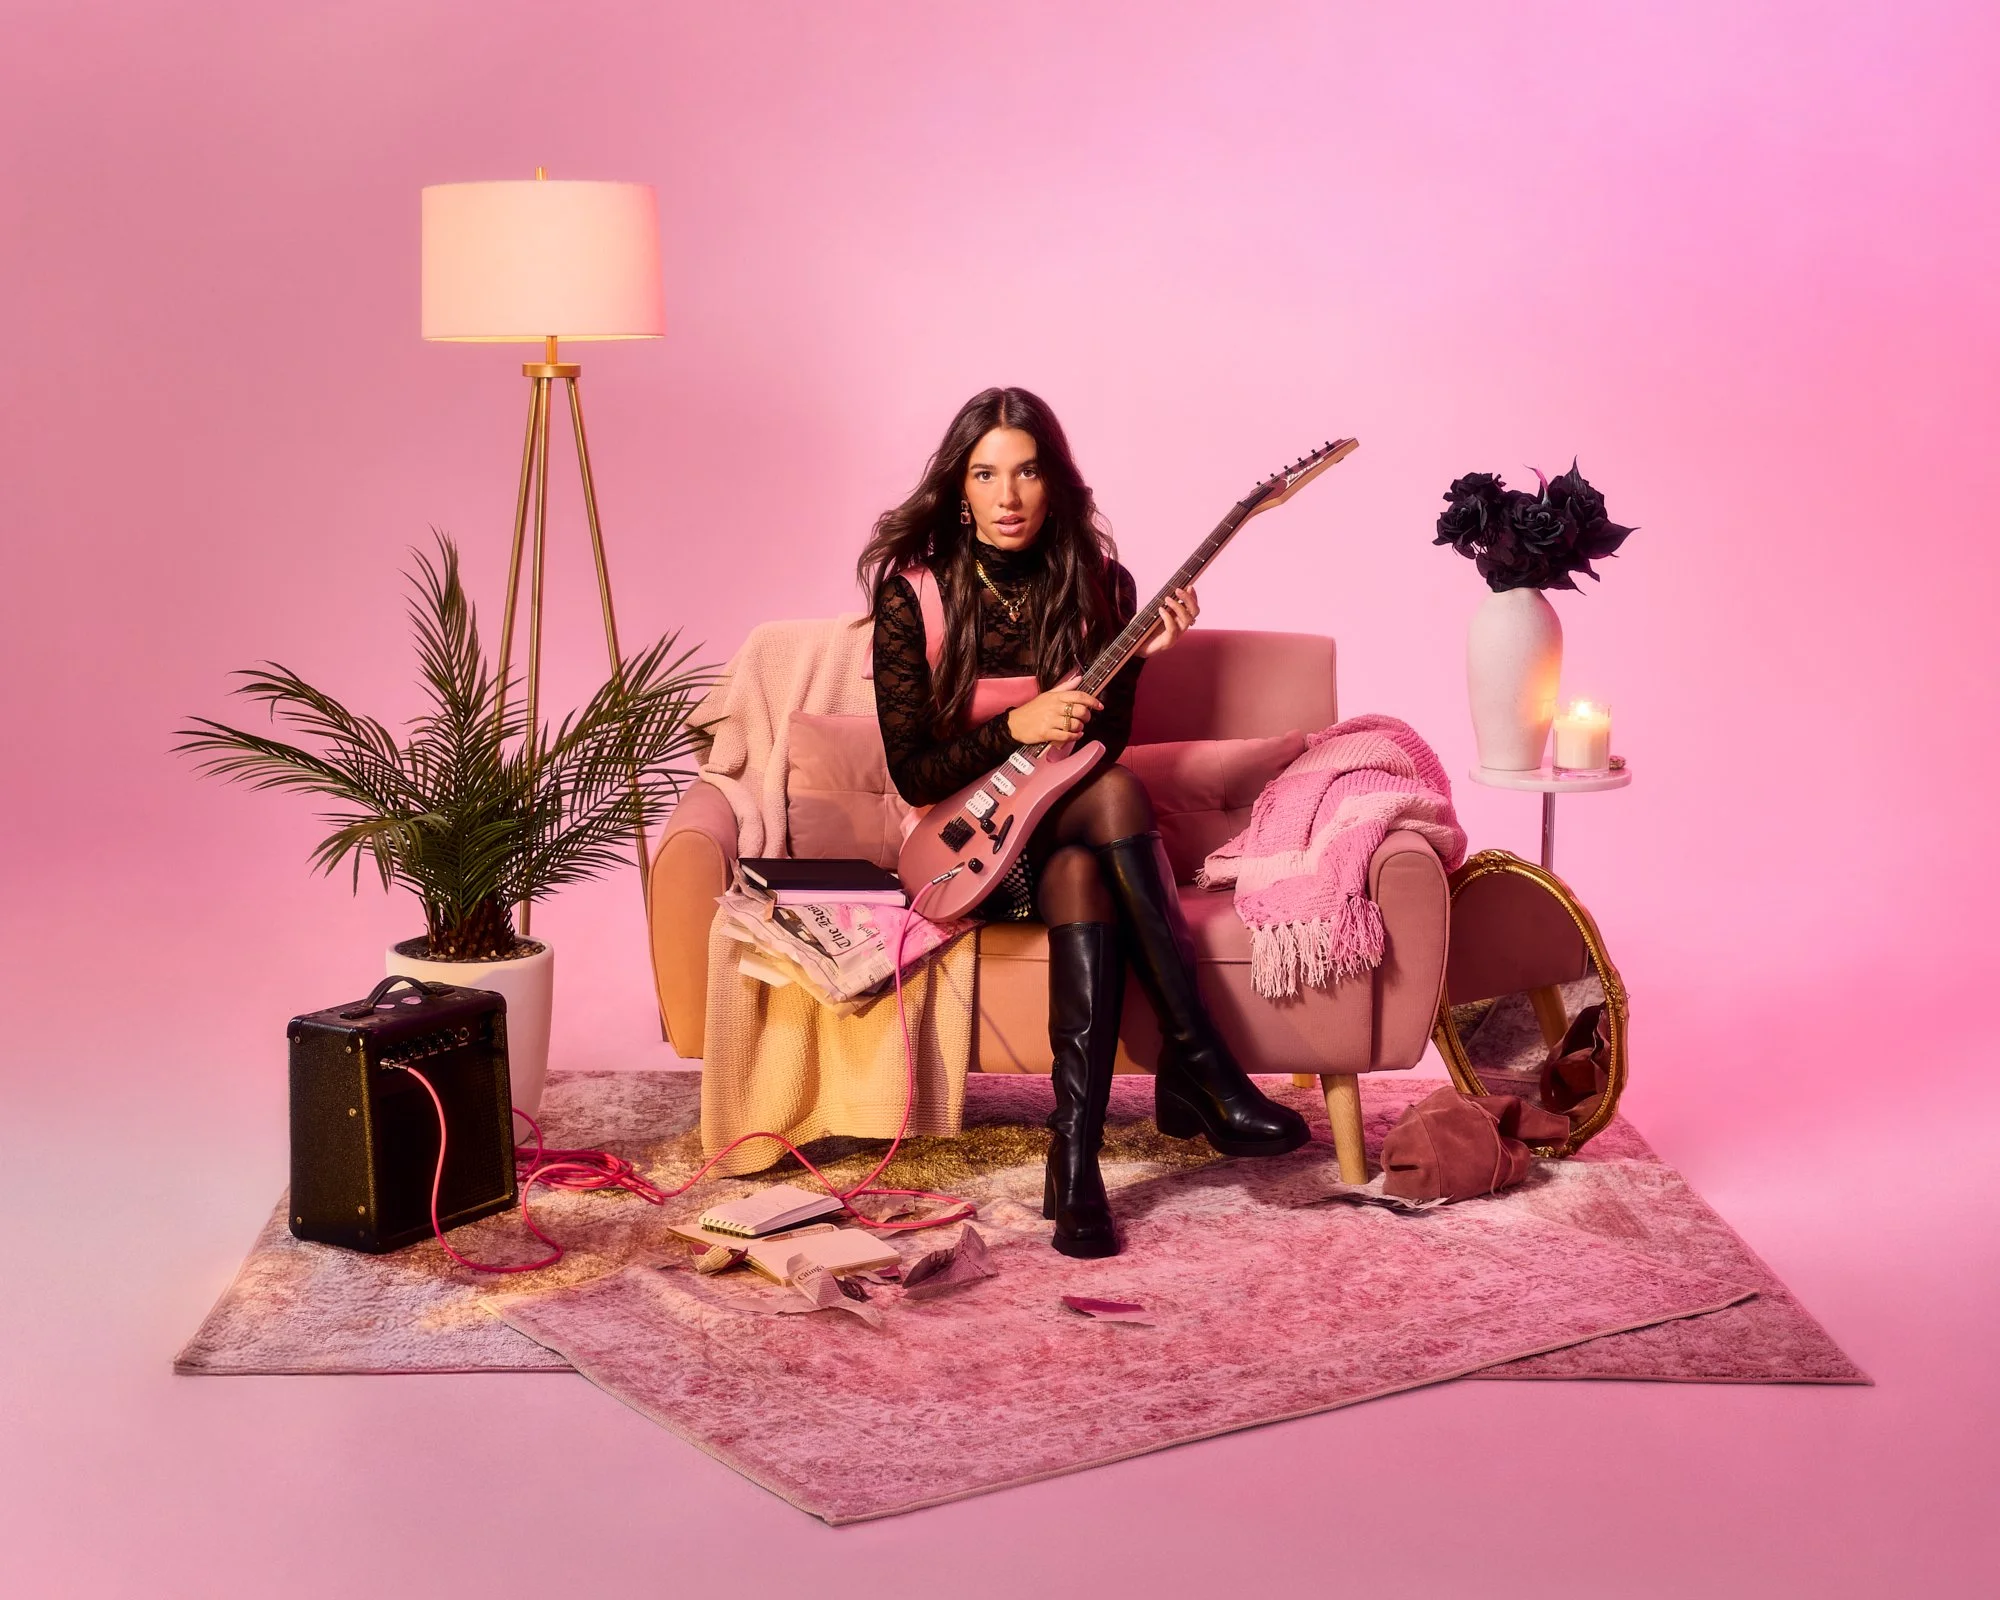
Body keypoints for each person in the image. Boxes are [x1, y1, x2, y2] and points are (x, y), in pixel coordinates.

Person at [860, 387, 1308, 1259]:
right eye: (986, 474)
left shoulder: (1102, 583)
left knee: (1090, 846)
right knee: (1112, 809)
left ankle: (1075, 1164)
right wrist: (1014, 727)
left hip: (1068, 836)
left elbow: (1100, 746)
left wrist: (1135, 661)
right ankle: (1203, 1068)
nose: (1008, 496)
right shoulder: (913, 594)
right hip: (972, 854)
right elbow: (912, 770)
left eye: (1027, 472)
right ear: (959, 487)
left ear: (1055, 482)